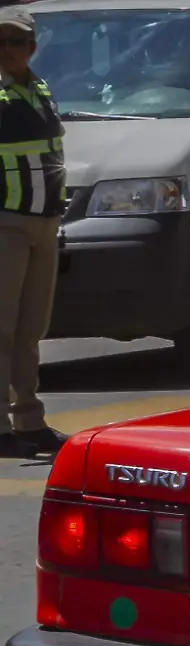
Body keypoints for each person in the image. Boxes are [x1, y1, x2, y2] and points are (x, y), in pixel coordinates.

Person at [0, 5, 67, 459]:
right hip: (6, 222)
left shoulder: (39, 88)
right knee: (1, 328)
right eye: (0, 42)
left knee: (31, 329)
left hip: (44, 223)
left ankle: (29, 419)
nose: (7, 50)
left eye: (16, 41)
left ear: (32, 47)